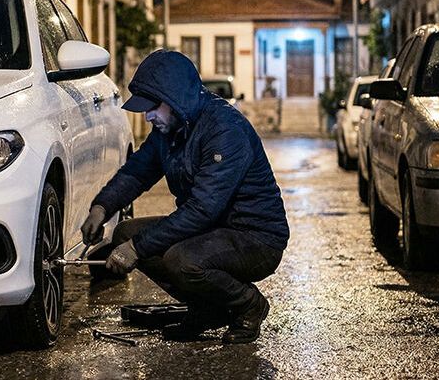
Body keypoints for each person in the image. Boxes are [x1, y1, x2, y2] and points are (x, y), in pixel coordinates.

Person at [81, 50, 289, 344]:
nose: (148, 116)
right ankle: (208, 309)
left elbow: (203, 209)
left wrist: (137, 248)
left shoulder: (224, 130)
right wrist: (102, 207)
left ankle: (248, 305)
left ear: (175, 98)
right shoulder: (170, 128)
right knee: (125, 232)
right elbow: (138, 171)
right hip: (213, 228)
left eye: (153, 107)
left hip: (255, 237)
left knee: (182, 259)